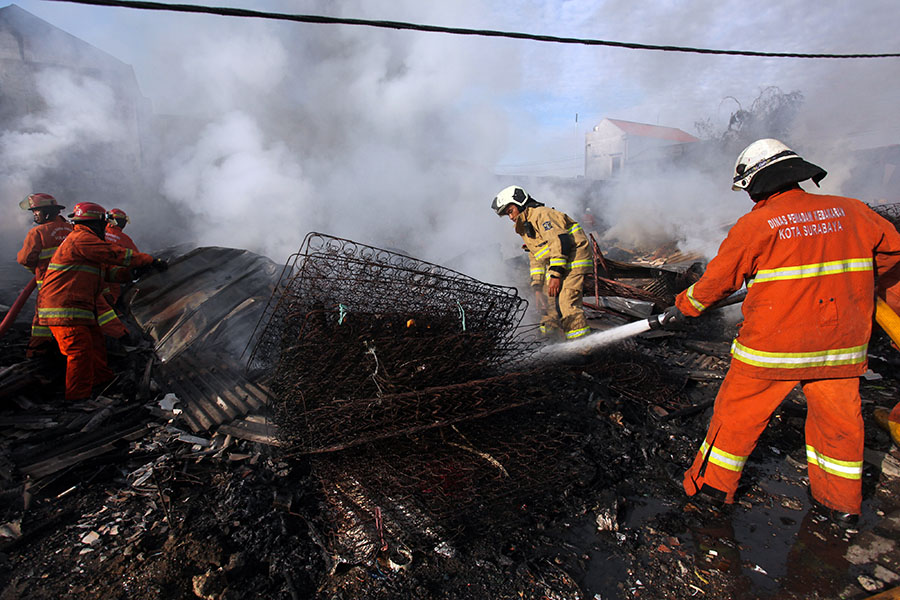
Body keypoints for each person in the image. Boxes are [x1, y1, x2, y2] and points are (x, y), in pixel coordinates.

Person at [663, 139, 900, 525]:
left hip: (772, 349)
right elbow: (891, 257)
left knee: (735, 419)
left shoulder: (756, 225)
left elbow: (716, 283)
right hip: (840, 348)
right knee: (839, 427)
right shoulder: (855, 211)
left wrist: (684, 307)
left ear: (754, 185)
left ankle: (710, 491)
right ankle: (840, 506)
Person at [36, 201, 167, 401]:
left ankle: (102, 382)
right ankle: (77, 399)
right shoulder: (81, 239)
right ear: (96, 223)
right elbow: (113, 253)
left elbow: (108, 272)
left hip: (79, 308)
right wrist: (148, 260)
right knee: (79, 351)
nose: (105, 229)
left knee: (96, 345)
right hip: (63, 308)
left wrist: (132, 273)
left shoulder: (84, 242)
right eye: (103, 225)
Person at [491, 185, 593, 341]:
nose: (510, 217)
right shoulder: (525, 226)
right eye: (507, 214)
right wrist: (537, 288)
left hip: (573, 261)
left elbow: (561, 242)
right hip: (557, 264)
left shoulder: (542, 215)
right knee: (548, 304)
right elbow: (536, 258)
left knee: (566, 303)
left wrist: (556, 275)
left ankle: (583, 347)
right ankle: (548, 341)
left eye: (510, 211)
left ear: (519, 202)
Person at [16, 193, 74, 358]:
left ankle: (38, 353)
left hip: (50, 289)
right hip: (75, 285)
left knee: (42, 321)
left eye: (36, 211)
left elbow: (25, 259)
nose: (34, 215)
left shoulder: (38, 232)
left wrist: (36, 270)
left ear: (47, 212)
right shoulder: (73, 230)